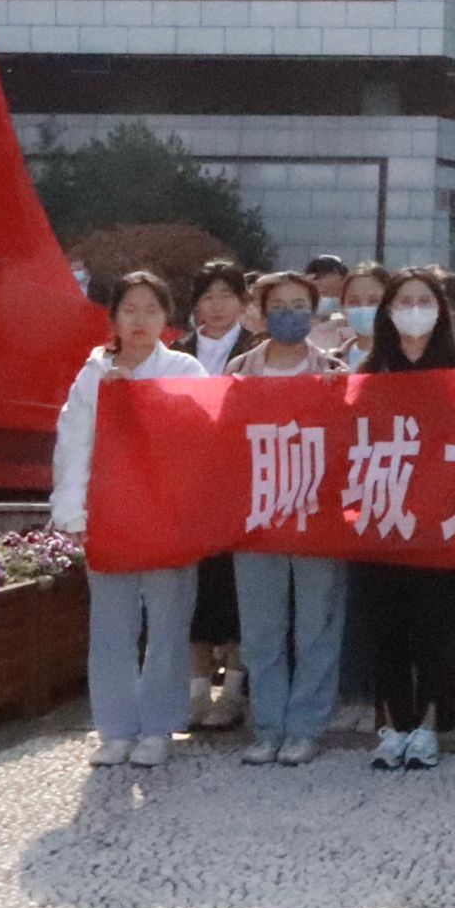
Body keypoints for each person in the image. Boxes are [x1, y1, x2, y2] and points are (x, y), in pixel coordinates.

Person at [50, 271, 211, 767]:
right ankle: (115, 728)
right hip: (109, 512)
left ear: (167, 319)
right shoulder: (93, 373)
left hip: (166, 514)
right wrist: (72, 509)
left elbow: (199, 434)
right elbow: (73, 443)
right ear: (114, 318)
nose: (140, 320)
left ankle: (159, 726)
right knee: (111, 626)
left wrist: (144, 397)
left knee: (167, 624)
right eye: (130, 310)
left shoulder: (185, 369)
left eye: (151, 310)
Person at [358, 268, 455, 771]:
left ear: (441, 311)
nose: (414, 310)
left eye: (424, 301)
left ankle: (430, 725)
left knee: (440, 627)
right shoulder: (368, 372)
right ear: (387, 312)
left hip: (443, 523)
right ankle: (392, 725)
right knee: (384, 626)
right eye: (403, 301)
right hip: (381, 519)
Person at [226, 270, 348, 766]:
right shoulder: (239, 370)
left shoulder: (333, 370)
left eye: (300, 306)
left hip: (316, 513)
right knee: (261, 630)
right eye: (280, 306)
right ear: (261, 311)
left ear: (314, 313)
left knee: (317, 625)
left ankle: (306, 727)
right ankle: (268, 725)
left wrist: (340, 395)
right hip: (257, 513)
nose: (290, 315)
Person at [175, 258, 259, 732]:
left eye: (227, 295)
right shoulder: (175, 353)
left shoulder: (258, 351)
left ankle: (232, 694)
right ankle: (194, 692)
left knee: (237, 592)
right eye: (208, 296)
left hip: (244, 489)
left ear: (243, 303)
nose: (217, 305)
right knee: (194, 593)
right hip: (188, 490)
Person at [334, 261, 388, 371]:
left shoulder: (407, 359)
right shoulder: (329, 361)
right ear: (342, 307)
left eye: (374, 301)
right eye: (354, 302)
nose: (364, 308)